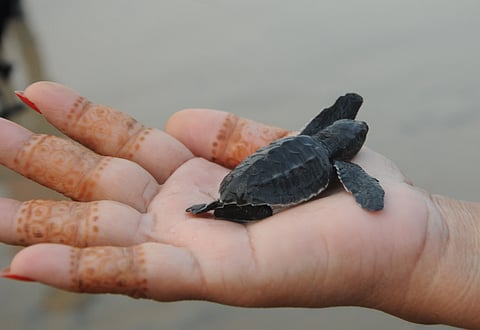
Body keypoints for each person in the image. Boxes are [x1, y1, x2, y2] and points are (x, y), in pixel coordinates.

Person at [0, 81, 479, 328]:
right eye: (356, 134)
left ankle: (217, 205)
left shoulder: (318, 143)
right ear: (346, 150)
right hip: (264, 182)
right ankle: (219, 207)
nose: (358, 134)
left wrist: (434, 250)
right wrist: (435, 243)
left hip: (248, 174)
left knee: (238, 196)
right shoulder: (340, 167)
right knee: (242, 201)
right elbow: (362, 180)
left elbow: (340, 125)